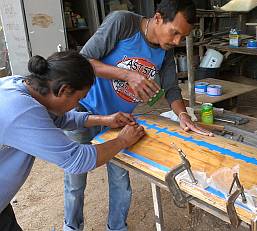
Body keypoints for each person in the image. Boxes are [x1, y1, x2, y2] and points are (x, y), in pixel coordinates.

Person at [63, 0, 213, 230]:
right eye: (174, 33)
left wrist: (183, 116)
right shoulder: (123, 22)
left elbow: (172, 89)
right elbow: (83, 62)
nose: (176, 41)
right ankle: (71, 227)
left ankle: (116, 227)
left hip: (119, 120)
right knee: (75, 177)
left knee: (120, 180)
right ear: (158, 17)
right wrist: (127, 75)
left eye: (182, 37)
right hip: (84, 111)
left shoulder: (166, 52)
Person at [0, 51, 145, 231]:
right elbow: (77, 160)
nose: (77, 104)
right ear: (63, 90)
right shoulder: (20, 110)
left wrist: (105, 119)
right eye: (78, 99)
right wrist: (122, 140)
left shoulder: (18, 86)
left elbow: (58, 118)